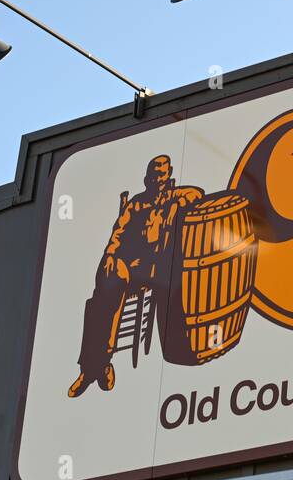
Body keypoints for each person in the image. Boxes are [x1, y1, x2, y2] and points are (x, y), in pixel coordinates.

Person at [67, 155, 203, 398]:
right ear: (146, 178)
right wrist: (110, 255)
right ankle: (94, 367)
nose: (156, 179)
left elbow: (197, 194)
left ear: (169, 174)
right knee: (101, 295)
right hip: (134, 267)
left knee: (105, 297)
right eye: (153, 175)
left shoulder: (176, 197)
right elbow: (117, 235)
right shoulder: (137, 204)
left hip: (159, 268)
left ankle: (96, 365)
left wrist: (177, 203)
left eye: (161, 174)